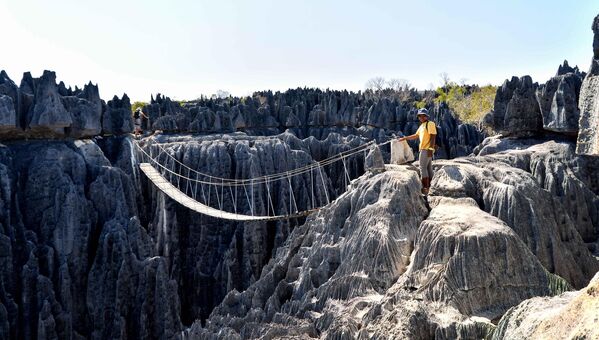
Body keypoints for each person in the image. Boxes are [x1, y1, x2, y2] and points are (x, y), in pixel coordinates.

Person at [398, 108, 437, 195]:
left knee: (422, 168)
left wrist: (430, 149)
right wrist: (405, 138)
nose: (421, 117)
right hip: (425, 149)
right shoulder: (421, 126)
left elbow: (433, 136)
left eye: (423, 115)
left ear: (426, 116)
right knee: (428, 167)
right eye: (419, 116)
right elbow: (416, 135)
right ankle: (431, 185)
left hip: (426, 149)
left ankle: (426, 188)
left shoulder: (430, 124)